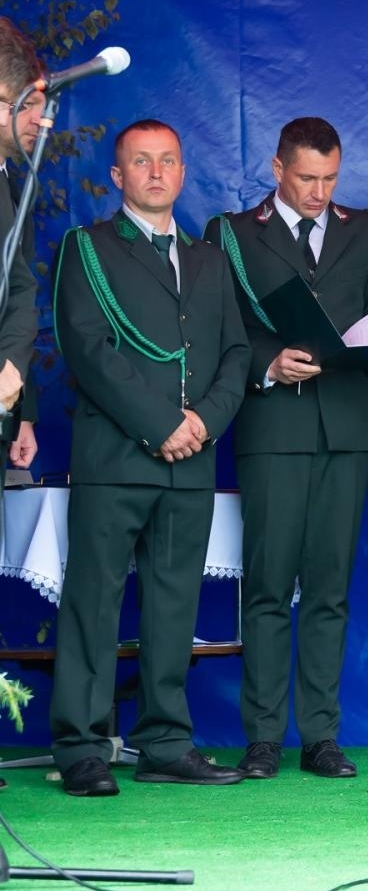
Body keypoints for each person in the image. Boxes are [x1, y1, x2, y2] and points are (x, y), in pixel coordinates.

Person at [49, 120, 250, 795]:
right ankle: (81, 748)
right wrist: (162, 425)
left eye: (168, 160)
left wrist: (204, 422)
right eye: (142, 161)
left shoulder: (209, 260)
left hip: (191, 459)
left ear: (184, 172)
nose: (157, 172)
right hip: (116, 459)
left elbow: (236, 353)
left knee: (174, 605)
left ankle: (165, 742)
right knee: (93, 602)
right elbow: (88, 350)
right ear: (118, 176)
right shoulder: (88, 248)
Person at [204, 117, 368, 781]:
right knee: (266, 587)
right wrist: (267, 361)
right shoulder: (232, 234)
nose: (320, 192)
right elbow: (218, 325)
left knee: (330, 588)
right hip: (273, 428)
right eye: (307, 178)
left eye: (331, 179)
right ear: (277, 169)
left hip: (346, 429)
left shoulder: (367, 231)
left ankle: (321, 737)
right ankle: (263, 738)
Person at [0, 17, 43, 417]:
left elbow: (20, 286)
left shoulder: (15, 188)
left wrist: (12, 368)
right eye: (26, 105)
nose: (39, 120)